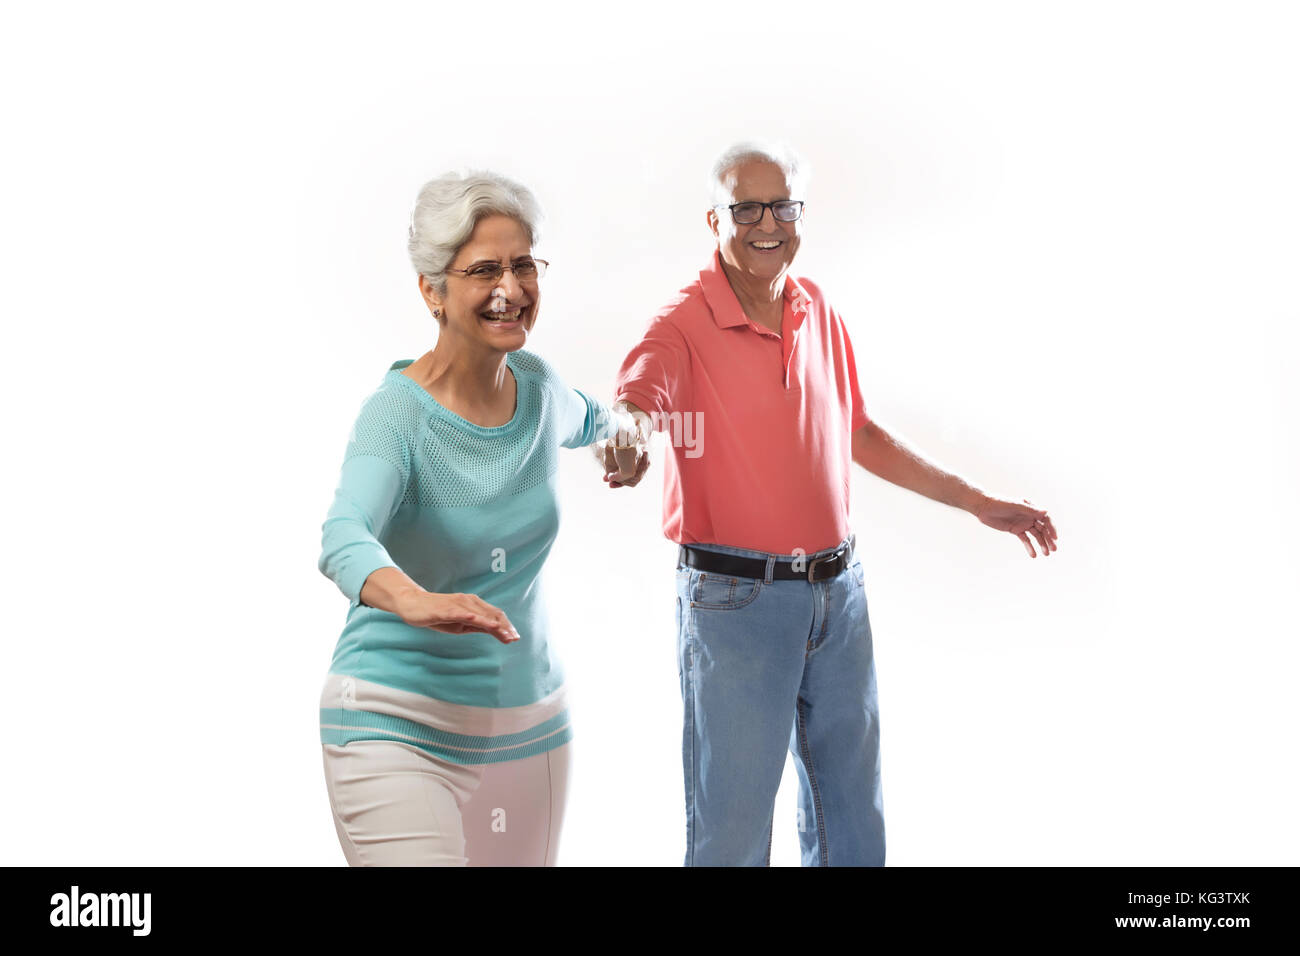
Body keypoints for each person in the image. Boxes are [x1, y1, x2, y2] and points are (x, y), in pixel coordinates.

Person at [599, 141, 1059, 866]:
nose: (765, 223)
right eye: (745, 206)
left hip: (838, 597)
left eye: (781, 205)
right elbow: (636, 402)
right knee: (733, 831)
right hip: (737, 604)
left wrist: (976, 502)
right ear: (713, 217)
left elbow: (860, 432)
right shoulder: (682, 323)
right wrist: (625, 437)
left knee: (853, 820)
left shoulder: (815, 307)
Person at [317, 169, 645, 866]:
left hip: (531, 728)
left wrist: (629, 444)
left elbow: (601, 421)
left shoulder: (538, 387)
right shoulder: (397, 417)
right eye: (485, 270)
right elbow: (343, 535)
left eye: (524, 265)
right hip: (395, 722)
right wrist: (417, 600)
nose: (512, 288)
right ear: (432, 290)